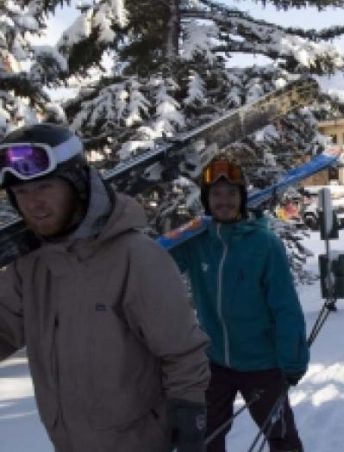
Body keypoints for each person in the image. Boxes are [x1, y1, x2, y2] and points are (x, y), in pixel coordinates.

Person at [0, 123, 211, 451]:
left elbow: (181, 349)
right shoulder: (31, 269)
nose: (33, 203)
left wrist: (189, 410)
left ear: (77, 183)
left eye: (44, 187)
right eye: (22, 193)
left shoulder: (135, 257)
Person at [169, 154, 309, 452]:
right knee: (204, 439)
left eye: (232, 193)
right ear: (207, 201)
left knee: (282, 437)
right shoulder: (197, 242)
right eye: (216, 194)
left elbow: (285, 306)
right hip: (215, 362)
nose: (225, 201)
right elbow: (158, 266)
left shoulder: (264, 245)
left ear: (242, 197)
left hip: (262, 364)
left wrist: (293, 359)